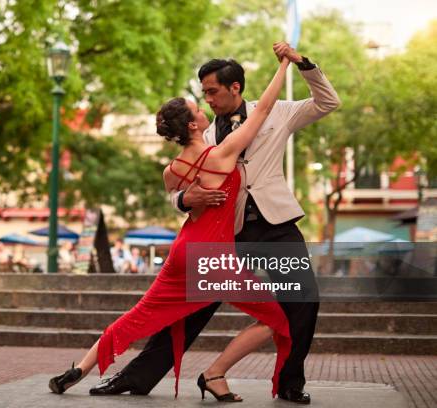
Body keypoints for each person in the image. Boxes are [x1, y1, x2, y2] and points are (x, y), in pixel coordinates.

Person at [91, 42, 340, 404]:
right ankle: (136, 377)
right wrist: (182, 200)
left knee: (303, 299)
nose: (207, 99)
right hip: (225, 232)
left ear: (234, 87)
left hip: (276, 226)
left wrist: (303, 64)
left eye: (212, 91)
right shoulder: (203, 133)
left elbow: (328, 102)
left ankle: (290, 382)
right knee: (190, 305)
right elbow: (177, 186)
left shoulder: (277, 112)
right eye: (203, 92)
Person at [48, 49, 292, 402]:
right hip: (214, 257)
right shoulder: (222, 155)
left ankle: (79, 369)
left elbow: (180, 201)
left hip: (183, 253)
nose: (204, 108)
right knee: (274, 319)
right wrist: (284, 64)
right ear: (193, 125)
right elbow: (265, 108)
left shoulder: (172, 171)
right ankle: (215, 373)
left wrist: (186, 199)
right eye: (197, 109)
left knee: (139, 315)